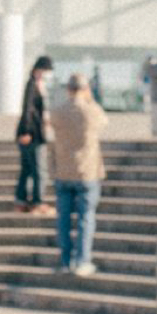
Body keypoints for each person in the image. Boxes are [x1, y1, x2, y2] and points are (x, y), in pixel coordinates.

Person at [47, 72, 108, 275]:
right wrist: (90, 100)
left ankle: (66, 262)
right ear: (85, 89)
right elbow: (104, 121)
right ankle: (82, 261)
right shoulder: (91, 111)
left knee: (63, 220)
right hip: (87, 172)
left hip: (63, 171)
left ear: (68, 89)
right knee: (86, 218)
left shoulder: (58, 112)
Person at [13, 54, 54, 215]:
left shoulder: (35, 84)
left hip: (31, 131)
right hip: (34, 133)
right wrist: (26, 131)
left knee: (27, 169)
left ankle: (21, 200)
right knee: (38, 169)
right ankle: (37, 201)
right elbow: (28, 109)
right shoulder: (33, 85)